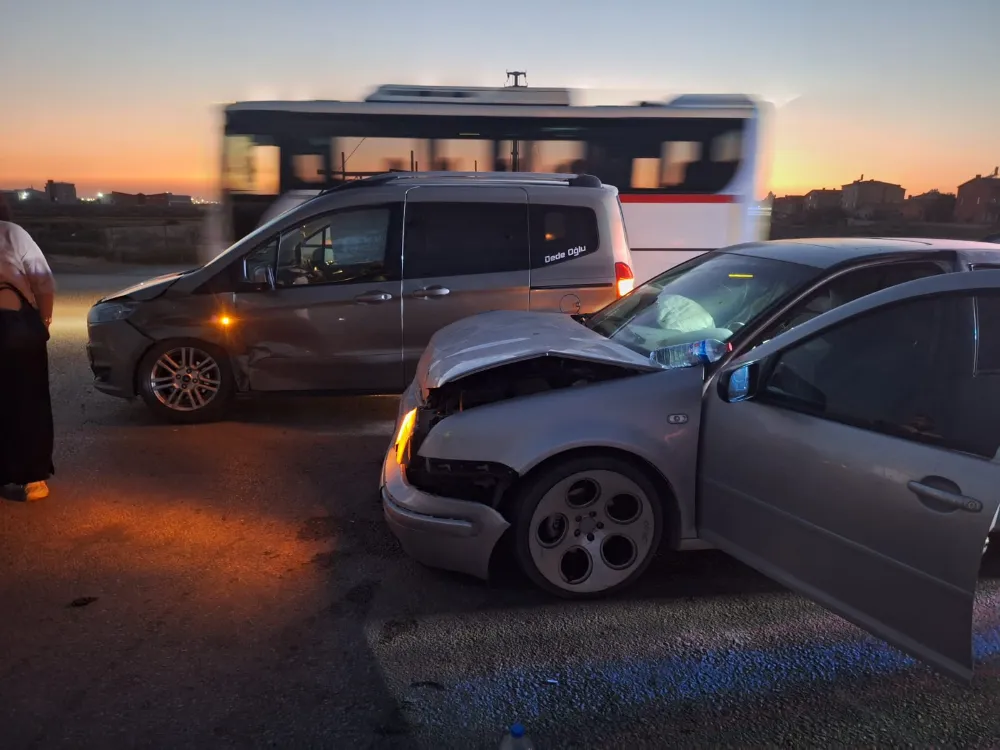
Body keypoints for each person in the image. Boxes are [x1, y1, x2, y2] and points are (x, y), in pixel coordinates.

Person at [0, 193, 55, 501]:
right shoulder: (12, 233)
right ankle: (32, 477)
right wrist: (43, 322)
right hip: (16, 329)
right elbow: (43, 282)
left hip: (13, 331)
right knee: (28, 402)